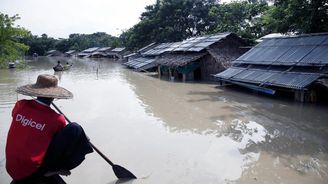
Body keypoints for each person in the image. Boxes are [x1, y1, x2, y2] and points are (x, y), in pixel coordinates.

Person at [6, 74, 93, 184]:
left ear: (36, 91)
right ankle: (56, 169)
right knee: (75, 129)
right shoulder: (57, 119)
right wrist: (83, 138)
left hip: (11, 166)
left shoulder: (20, 105)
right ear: (54, 96)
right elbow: (60, 143)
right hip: (32, 169)